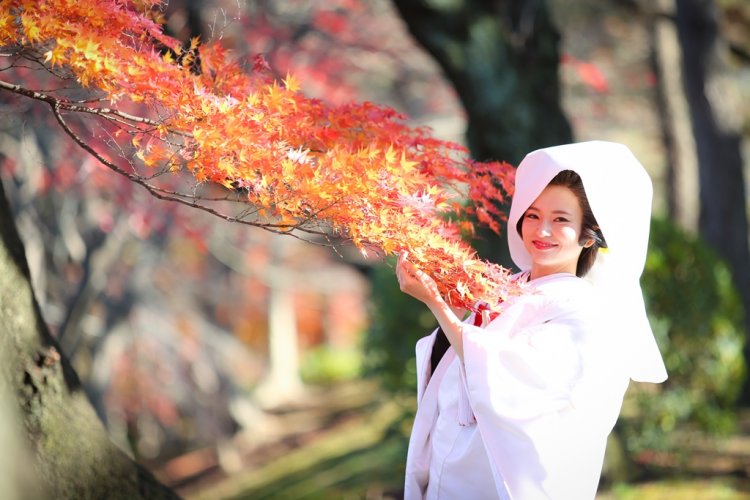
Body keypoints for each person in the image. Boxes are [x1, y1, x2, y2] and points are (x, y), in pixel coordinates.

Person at [396, 141, 668, 499]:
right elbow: (461, 354)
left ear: (589, 236)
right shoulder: (506, 286)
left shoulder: (583, 308)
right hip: (454, 454)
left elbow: (511, 370)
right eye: (534, 215)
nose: (541, 230)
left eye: (560, 220)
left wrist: (434, 303)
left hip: (497, 474)